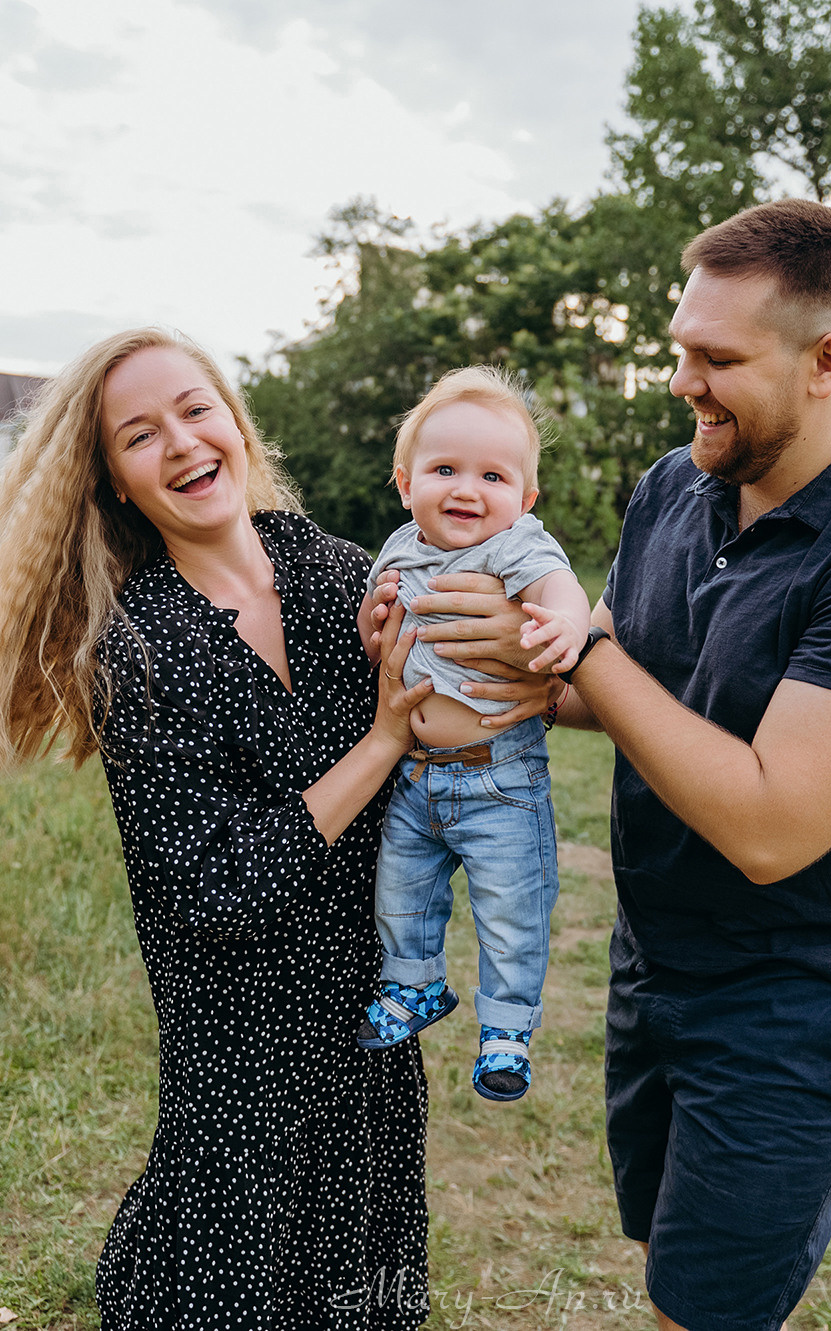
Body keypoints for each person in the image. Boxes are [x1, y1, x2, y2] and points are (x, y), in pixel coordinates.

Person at [0, 327, 548, 1329]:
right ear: (115, 483)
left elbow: (485, 685)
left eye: (195, 409)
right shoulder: (136, 645)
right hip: (242, 1062)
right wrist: (382, 738)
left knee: (364, 1296)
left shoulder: (338, 574)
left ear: (234, 421)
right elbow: (210, 886)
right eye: (140, 435)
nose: (182, 443)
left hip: (367, 1036)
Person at [553, 201, 831, 1331]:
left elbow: (769, 824)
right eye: (678, 347)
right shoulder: (672, 486)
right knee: (668, 1260)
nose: (679, 379)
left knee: (706, 1309)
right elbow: (606, 683)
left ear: (825, 361)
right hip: (656, 956)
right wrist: (455, 671)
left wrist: (583, 650)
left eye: (715, 358)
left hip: (798, 993)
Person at [350, 366, 591, 1104]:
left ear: (523, 499)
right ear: (404, 482)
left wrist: (566, 623)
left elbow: (559, 587)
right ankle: (415, 984)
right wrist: (370, 628)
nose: (466, 488)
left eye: (492, 475)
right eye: (444, 469)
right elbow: (380, 632)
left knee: (511, 908)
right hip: (418, 776)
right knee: (399, 894)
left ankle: (508, 1029)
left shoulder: (511, 547)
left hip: (498, 778)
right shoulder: (397, 548)